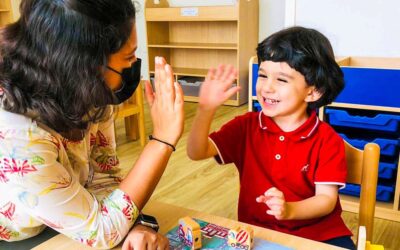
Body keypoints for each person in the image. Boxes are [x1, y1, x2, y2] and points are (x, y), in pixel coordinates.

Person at [0, 0, 183, 249]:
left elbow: (103, 176)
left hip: (57, 221)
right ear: (84, 65)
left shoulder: (88, 92)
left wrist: (134, 224)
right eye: (128, 57)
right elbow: (101, 231)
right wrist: (162, 141)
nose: (133, 66)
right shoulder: (17, 136)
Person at [187, 26, 355, 250]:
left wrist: (289, 210)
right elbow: (196, 152)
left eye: (282, 80)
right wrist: (205, 110)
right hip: (257, 232)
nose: (266, 87)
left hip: (319, 234)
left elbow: (326, 200)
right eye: (263, 75)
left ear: (313, 92)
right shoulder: (246, 126)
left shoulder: (327, 139)